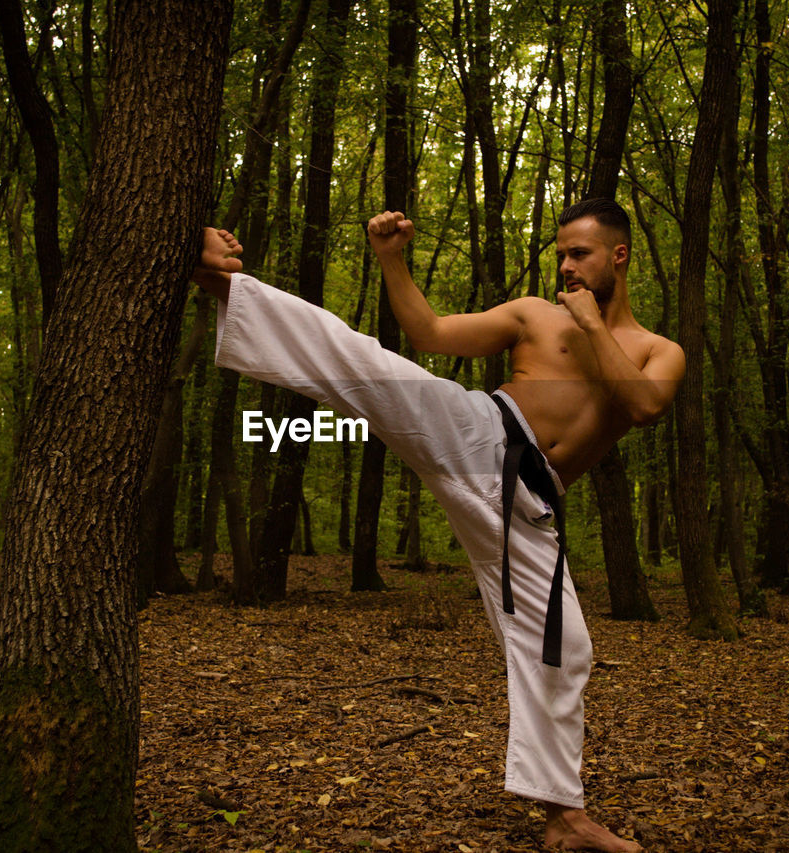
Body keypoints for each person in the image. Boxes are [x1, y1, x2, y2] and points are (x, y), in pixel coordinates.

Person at [193, 198, 683, 852]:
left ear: (619, 256)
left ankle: (564, 817)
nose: (565, 266)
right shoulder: (535, 315)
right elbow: (426, 332)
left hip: (530, 506)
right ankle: (213, 279)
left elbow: (646, 403)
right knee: (367, 366)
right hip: (481, 436)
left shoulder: (658, 349)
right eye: (560, 252)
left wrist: (595, 328)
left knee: (565, 648)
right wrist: (392, 261)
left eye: (580, 254)